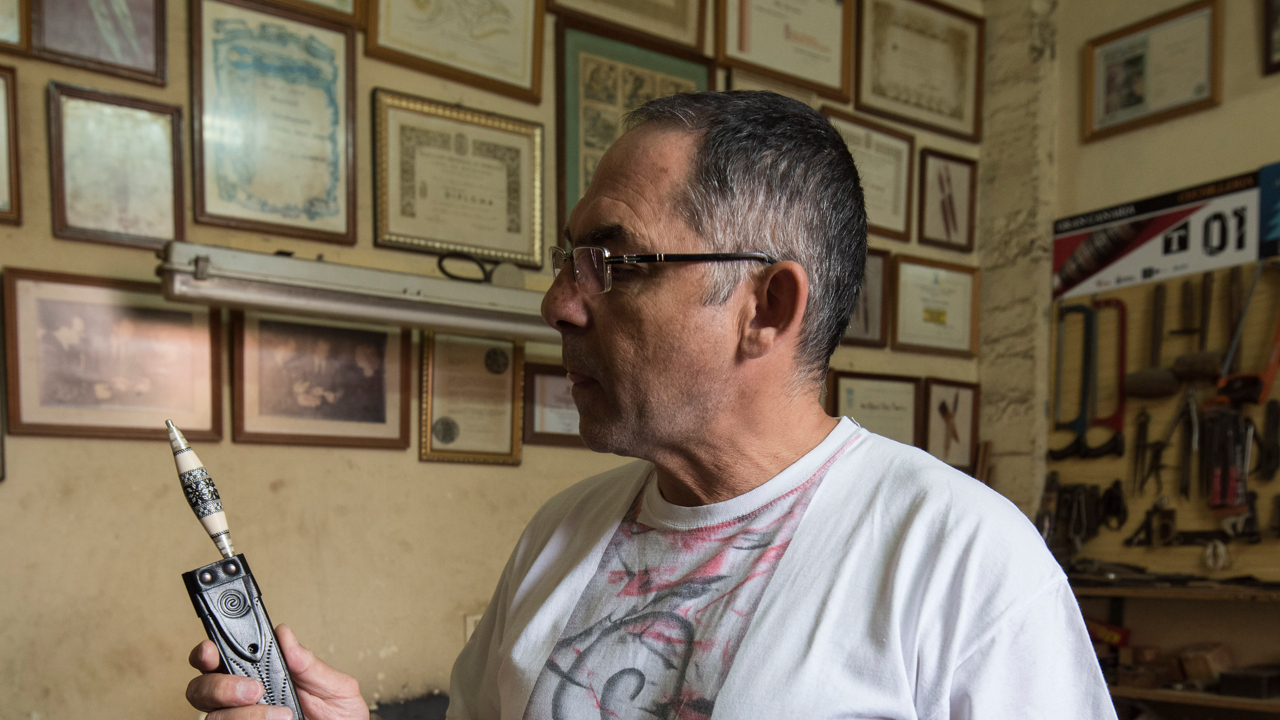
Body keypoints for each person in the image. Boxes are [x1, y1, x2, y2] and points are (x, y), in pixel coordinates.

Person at [185, 92, 1114, 720]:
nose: (559, 302)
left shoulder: (963, 563)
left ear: (767, 308)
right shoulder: (562, 534)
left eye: (614, 263)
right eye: (565, 260)